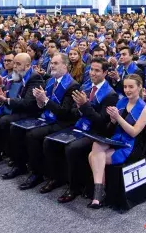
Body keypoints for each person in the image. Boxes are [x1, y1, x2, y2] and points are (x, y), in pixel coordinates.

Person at [42, 58, 118, 203]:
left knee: (72, 148)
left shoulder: (110, 94)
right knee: (50, 141)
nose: (93, 73)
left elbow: (102, 123)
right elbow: (72, 112)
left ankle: (74, 188)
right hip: (79, 125)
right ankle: (56, 178)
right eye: (91, 70)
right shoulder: (85, 87)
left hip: (96, 132)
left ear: (105, 73)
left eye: (97, 71)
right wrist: (78, 109)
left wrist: (84, 106)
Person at [13, 53, 79, 190]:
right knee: (18, 128)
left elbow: (65, 113)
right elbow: (41, 106)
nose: (52, 66)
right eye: (52, 63)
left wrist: (45, 100)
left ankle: (41, 174)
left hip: (63, 123)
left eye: (56, 63)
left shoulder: (72, 85)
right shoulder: (50, 81)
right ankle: (24, 166)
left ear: (65, 66)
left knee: (33, 135)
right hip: (47, 117)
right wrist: (39, 101)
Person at [87, 74, 146, 208]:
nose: (127, 90)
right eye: (125, 86)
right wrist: (113, 120)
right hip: (116, 139)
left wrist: (118, 118)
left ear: (139, 87)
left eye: (131, 87)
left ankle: (99, 193)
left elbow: (134, 132)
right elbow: (113, 127)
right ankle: (100, 192)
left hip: (130, 145)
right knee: (96, 145)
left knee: (93, 156)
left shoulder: (144, 108)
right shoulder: (121, 102)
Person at [0, 53, 43, 167]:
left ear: (27, 66)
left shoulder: (34, 78)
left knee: (6, 121)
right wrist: (2, 90)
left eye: (18, 64)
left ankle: (16, 159)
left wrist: (6, 100)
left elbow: (28, 103)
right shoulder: (15, 75)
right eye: (14, 63)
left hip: (29, 112)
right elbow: (9, 93)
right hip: (14, 107)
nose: (14, 66)